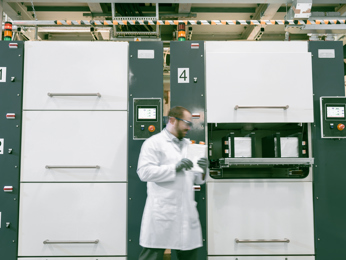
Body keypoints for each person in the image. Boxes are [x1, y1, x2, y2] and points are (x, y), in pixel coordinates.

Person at [137, 106, 208, 260]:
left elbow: (196, 180)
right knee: (152, 256)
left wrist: (202, 170)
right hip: (162, 213)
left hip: (186, 213)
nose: (189, 127)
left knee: (189, 255)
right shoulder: (153, 143)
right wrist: (174, 168)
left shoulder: (190, 146)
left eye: (190, 124)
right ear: (172, 120)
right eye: (186, 123)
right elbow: (144, 172)